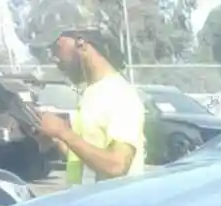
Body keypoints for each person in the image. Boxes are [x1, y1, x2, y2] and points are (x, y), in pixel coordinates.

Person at [37, 28, 146, 185]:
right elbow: (88, 163)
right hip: (87, 204)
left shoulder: (119, 94)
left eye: (57, 48)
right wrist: (56, 138)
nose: (54, 58)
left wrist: (64, 132)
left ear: (81, 44)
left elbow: (117, 165)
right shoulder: (92, 93)